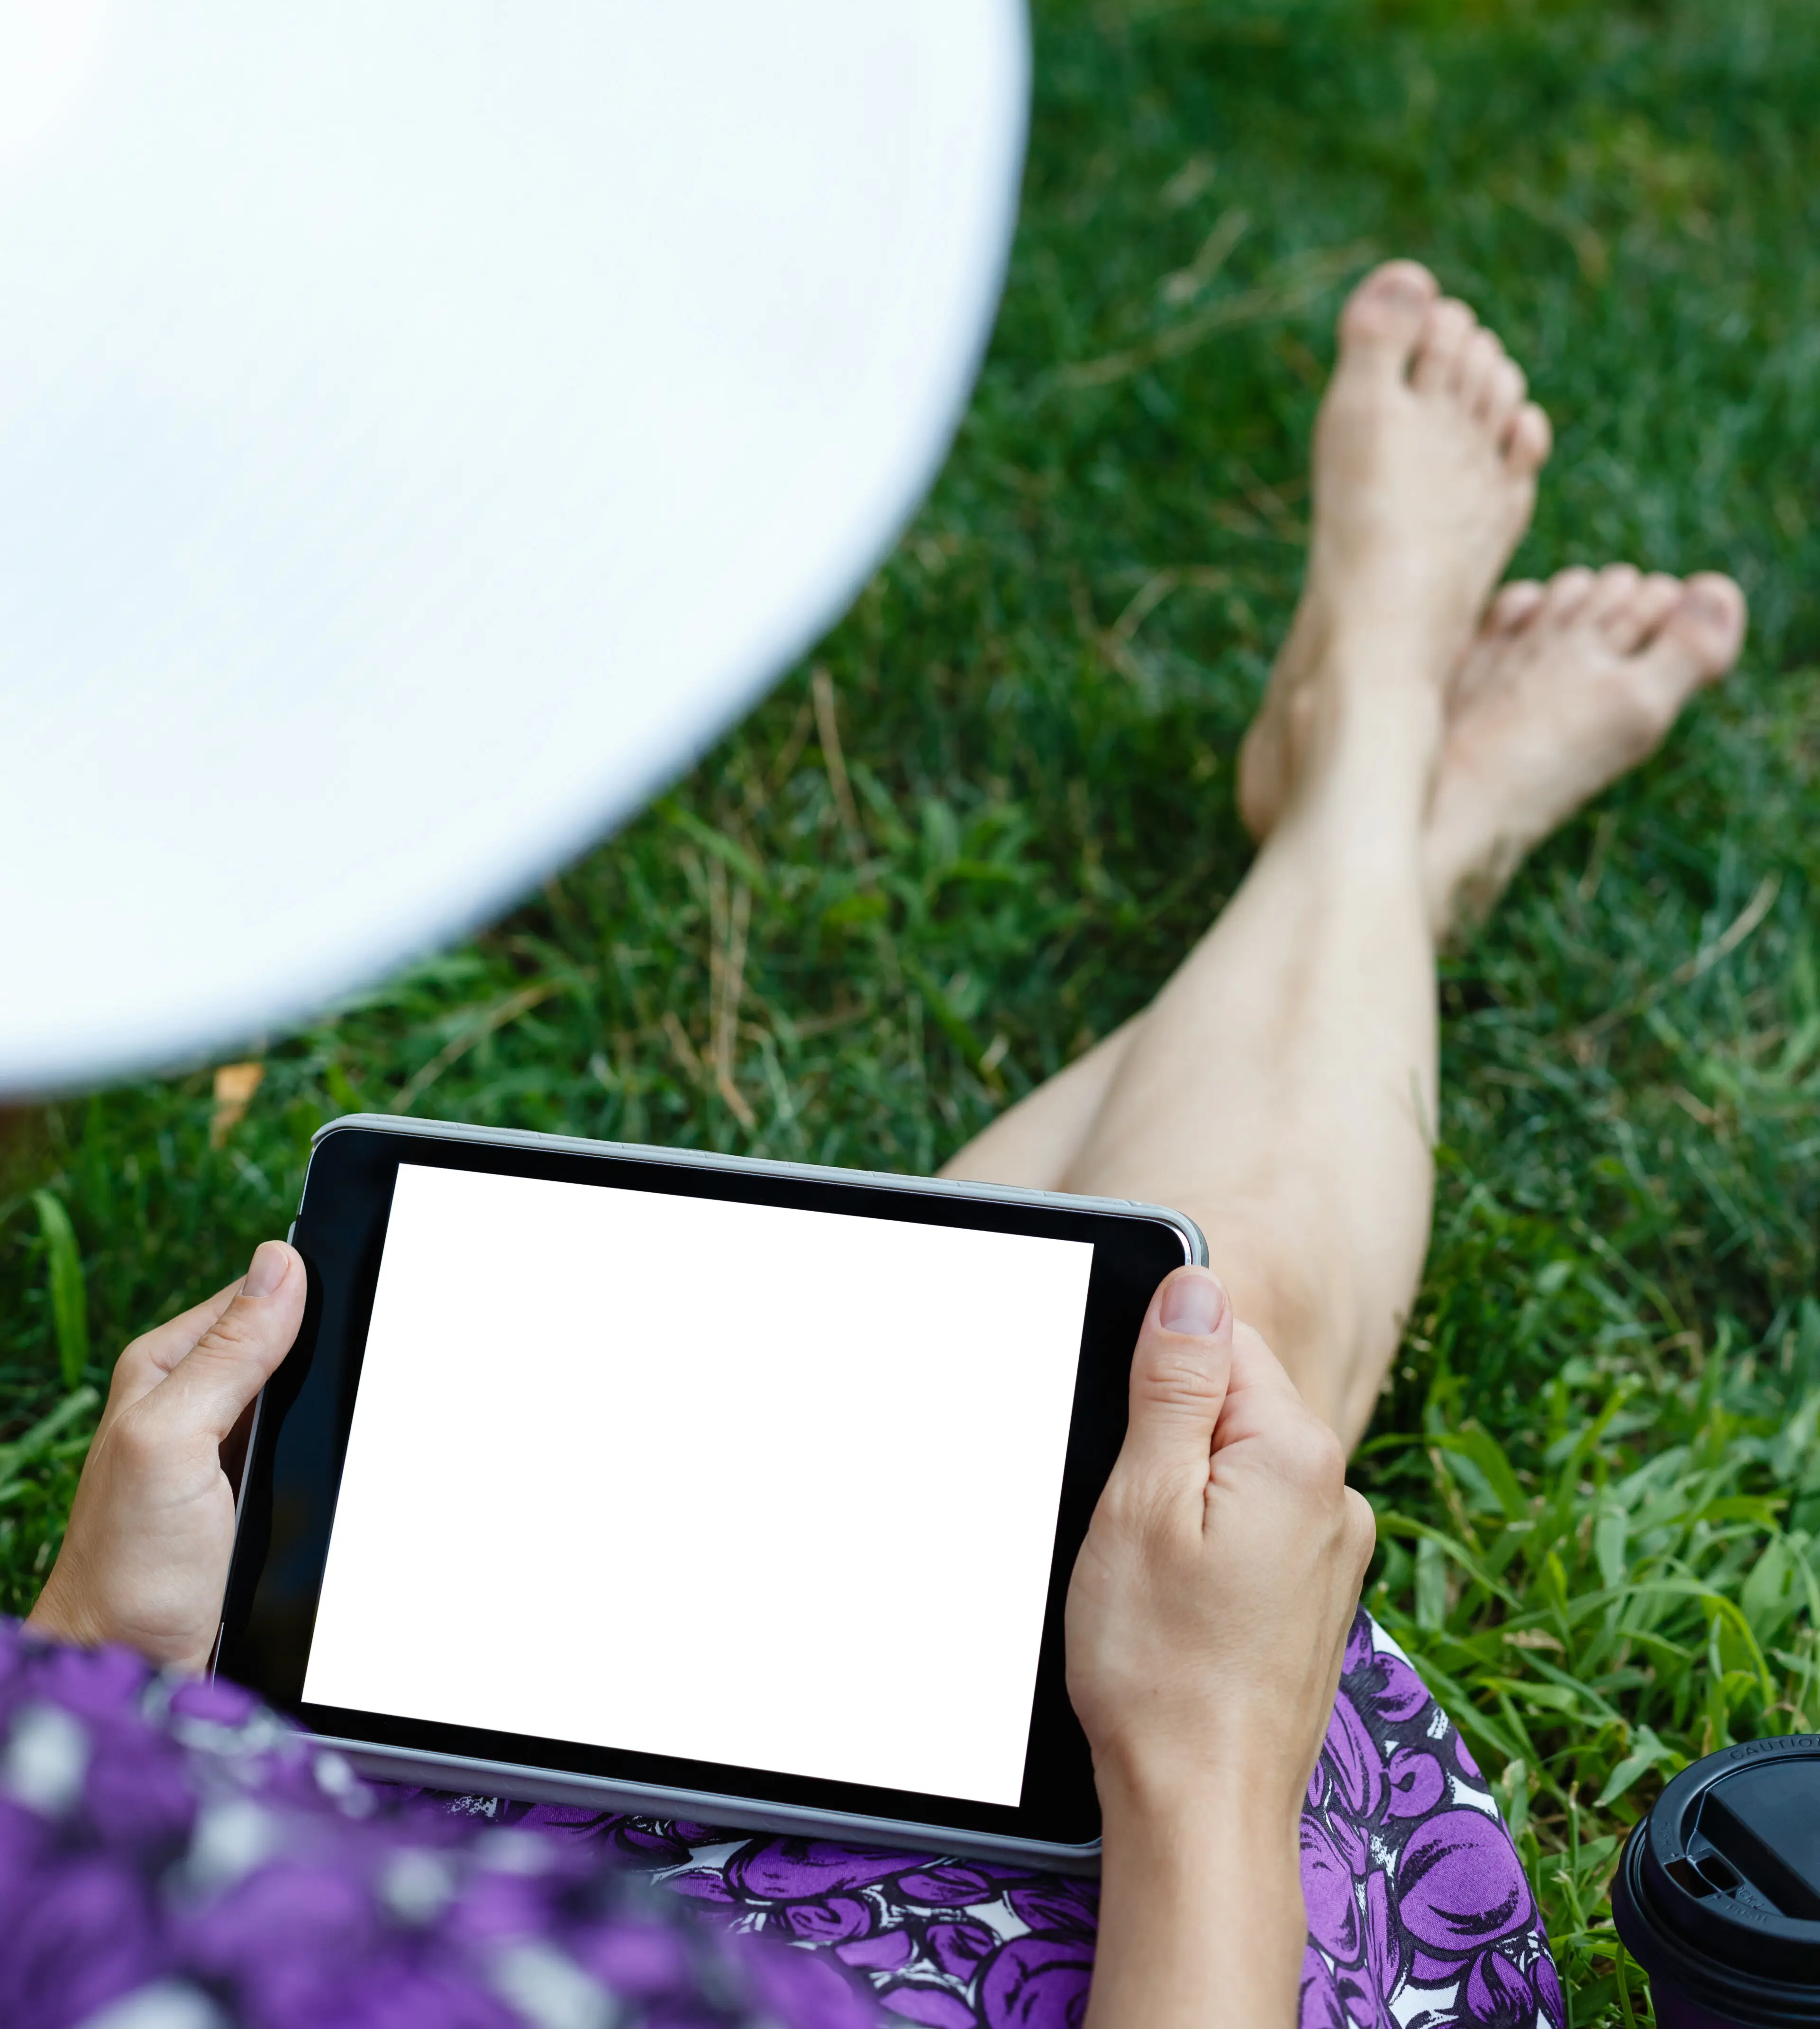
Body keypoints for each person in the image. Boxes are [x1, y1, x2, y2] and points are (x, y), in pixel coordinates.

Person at [16, 262, 1746, 2029]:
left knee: (936, 1391)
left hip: (429, 1833)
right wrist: (1210, 1767)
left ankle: (1362, 834)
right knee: (1216, 1364)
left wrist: (98, 1668)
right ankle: (1373, 779)